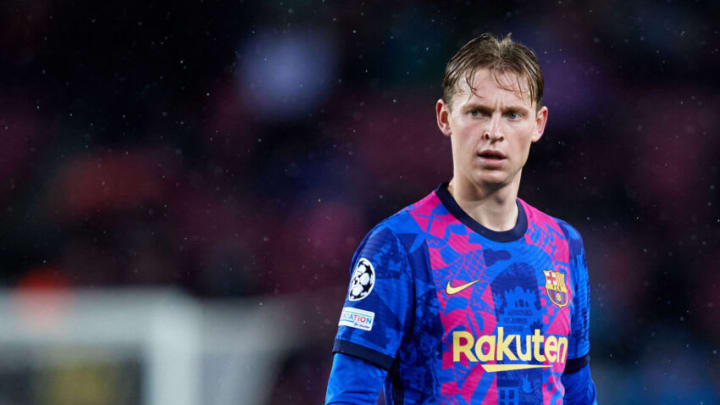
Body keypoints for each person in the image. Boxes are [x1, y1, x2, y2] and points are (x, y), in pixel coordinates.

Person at [325, 33, 597, 405]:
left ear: (538, 124)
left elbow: (577, 389)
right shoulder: (398, 246)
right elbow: (350, 395)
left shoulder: (565, 246)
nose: (494, 132)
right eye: (478, 112)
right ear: (445, 117)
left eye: (513, 114)